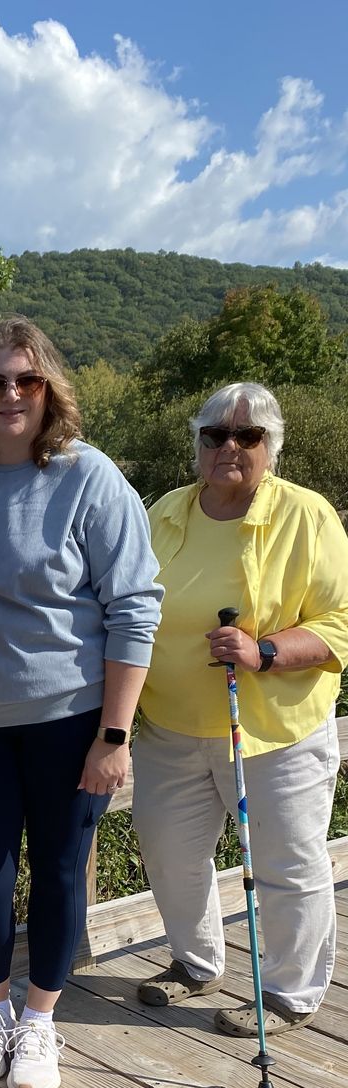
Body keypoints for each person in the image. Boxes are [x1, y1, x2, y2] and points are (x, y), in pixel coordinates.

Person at [0, 317, 161, 1088]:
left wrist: (115, 733)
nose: (9, 396)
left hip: (73, 720)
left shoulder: (88, 477)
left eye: (25, 381)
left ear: (48, 388)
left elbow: (134, 606)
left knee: (60, 873)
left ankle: (39, 1022)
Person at [133, 382, 348, 1034]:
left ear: (270, 449)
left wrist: (265, 651)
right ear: (197, 444)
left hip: (271, 733)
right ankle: (196, 965)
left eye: (246, 436)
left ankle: (288, 992)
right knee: (169, 853)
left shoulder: (306, 516)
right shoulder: (167, 510)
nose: (228, 446)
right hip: (169, 726)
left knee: (287, 864)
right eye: (214, 435)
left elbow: (340, 623)